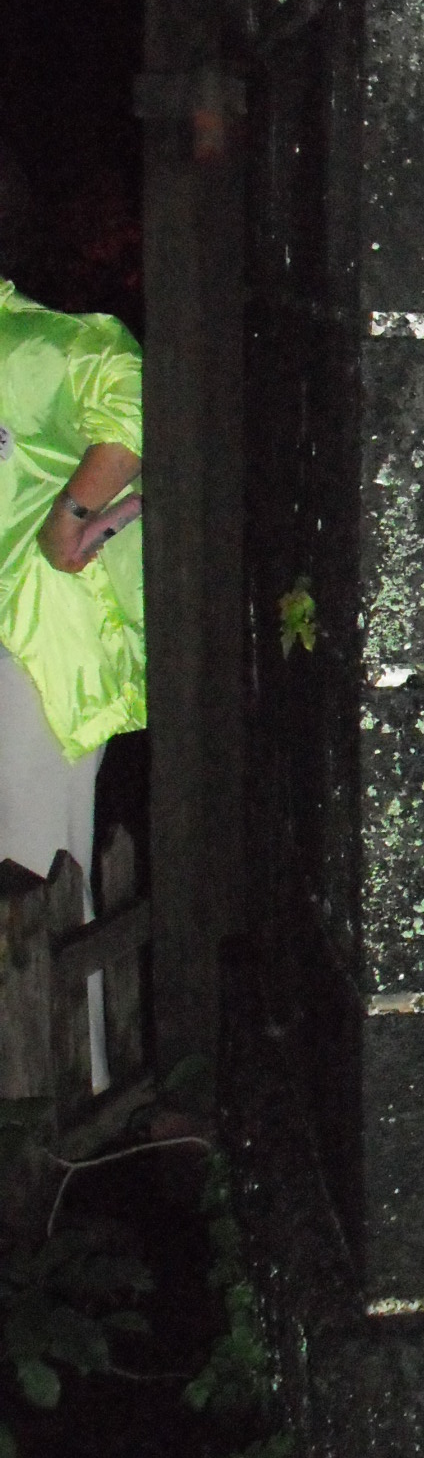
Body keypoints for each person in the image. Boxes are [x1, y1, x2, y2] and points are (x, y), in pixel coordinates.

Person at [0, 273, 144, 1093]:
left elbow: (135, 402)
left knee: (34, 868)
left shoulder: (42, 342)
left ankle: (63, 1096)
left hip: (35, 650)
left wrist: (77, 519)